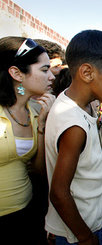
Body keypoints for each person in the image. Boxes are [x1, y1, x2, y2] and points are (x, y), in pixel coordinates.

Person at [44, 30, 102, 244]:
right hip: (76, 233)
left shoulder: (80, 106)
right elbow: (58, 192)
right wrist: (85, 237)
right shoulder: (73, 124)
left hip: (89, 223)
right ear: (87, 73)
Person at [0, 36, 55, 244]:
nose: (51, 77)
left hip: (26, 215)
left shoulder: (34, 112)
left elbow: (38, 170)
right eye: (44, 69)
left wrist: (41, 125)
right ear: (16, 73)